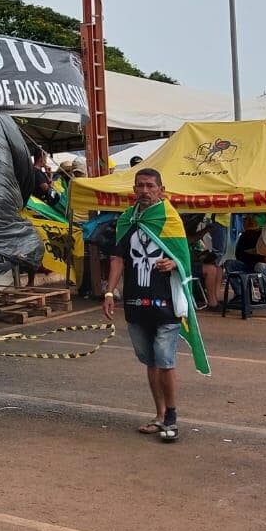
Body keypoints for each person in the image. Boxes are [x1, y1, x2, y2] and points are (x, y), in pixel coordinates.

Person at [101, 168, 210, 443]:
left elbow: (184, 259)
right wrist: (110, 293)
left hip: (166, 304)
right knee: (150, 361)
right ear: (134, 189)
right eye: (140, 186)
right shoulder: (127, 219)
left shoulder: (169, 218)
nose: (145, 190)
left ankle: (171, 417)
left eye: (150, 186)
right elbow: (117, 258)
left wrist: (174, 263)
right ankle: (159, 415)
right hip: (137, 303)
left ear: (162, 189)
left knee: (165, 360)